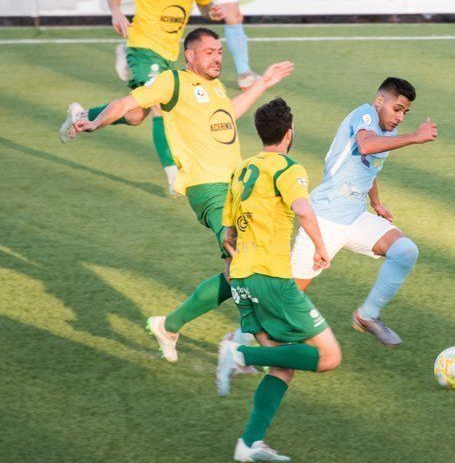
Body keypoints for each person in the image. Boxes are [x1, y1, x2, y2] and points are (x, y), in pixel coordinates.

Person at [69, 27, 295, 366]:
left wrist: (263, 82)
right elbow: (128, 104)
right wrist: (96, 121)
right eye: (209, 52)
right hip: (208, 189)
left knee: (236, 270)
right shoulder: (172, 82)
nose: (218, 57)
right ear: (189, 55)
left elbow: (227, 115)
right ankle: (263, 351)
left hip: (235, 190)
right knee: (245, 256)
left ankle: (169, 326)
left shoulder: (214, 87)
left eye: (220, 51)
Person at [59, 0, 225, 195]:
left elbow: (205, 7)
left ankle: (82, 116)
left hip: (170, 53)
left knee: (136, 115)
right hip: (144, 46)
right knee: (161, 106)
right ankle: (174, 178)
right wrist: (116, 12)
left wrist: (212, 13)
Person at [217, 97, 341, 462]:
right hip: (272, 279)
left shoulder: (242, 170)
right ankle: (239, 353)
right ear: (289, 134)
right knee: (328, 356)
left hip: (241, 279)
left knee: (283, 365)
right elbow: (302, 208)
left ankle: (248, 445)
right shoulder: (289, 168)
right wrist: (321, 247)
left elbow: (228, 234)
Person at [288, 77, 437, 347]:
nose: (401, 117)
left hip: (355, 217)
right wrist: (415, 137)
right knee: (288, 295)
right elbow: (367, 145)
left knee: (405, 251)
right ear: (380, 101)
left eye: (405, 112)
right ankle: (240, 344)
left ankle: (367, 316)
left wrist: (376, 203)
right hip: (324, 219)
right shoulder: (364, 114)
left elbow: (369, 168)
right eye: (397, 108)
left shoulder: (387, 132)